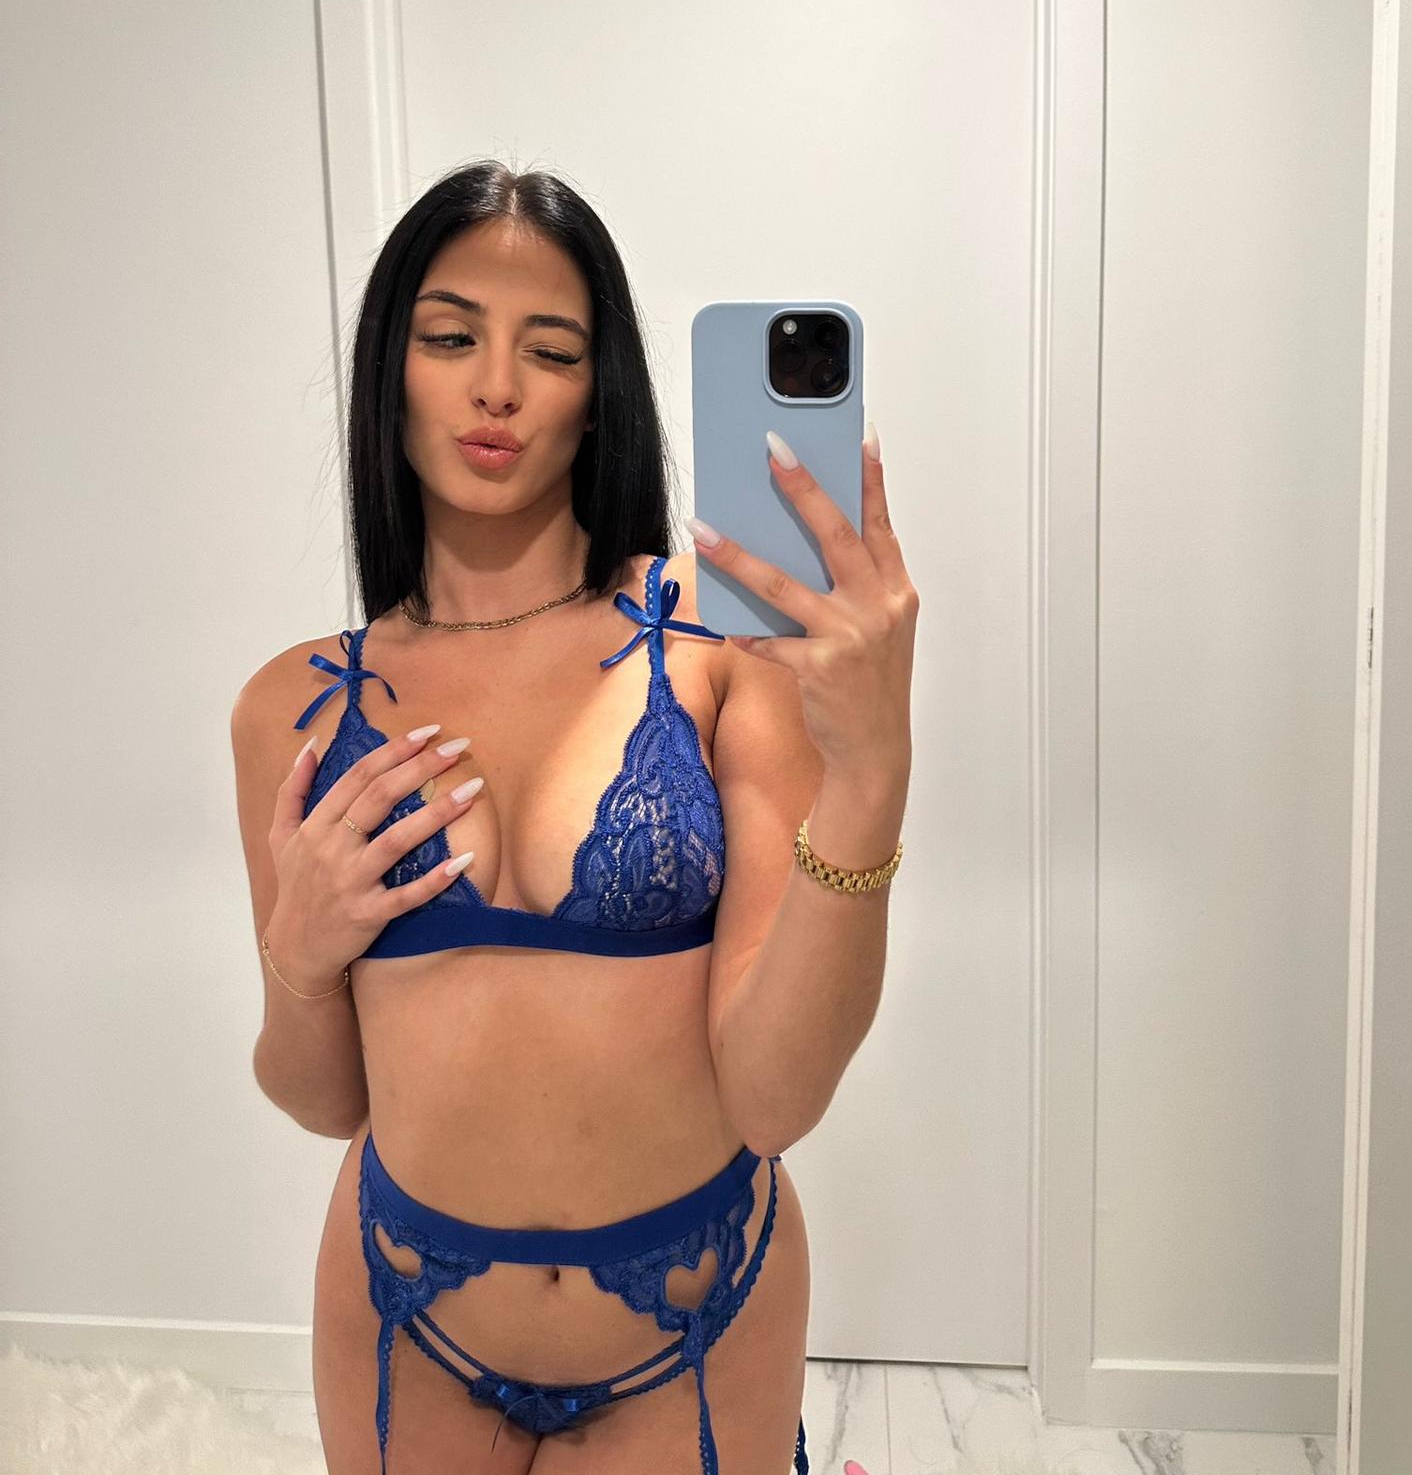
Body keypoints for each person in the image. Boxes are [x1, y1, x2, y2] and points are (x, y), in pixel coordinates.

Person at [230, 159, 917, 1473]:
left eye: (549, 350)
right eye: (451, 338)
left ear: (599, 397)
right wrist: (301, 957)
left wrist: (871, 777)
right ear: (391, 370)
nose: (497, 385)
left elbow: (776, 1095)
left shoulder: (720, 651)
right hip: (401, 1315)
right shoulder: (291, 707)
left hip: (696, 1318)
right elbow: (319, 1097)